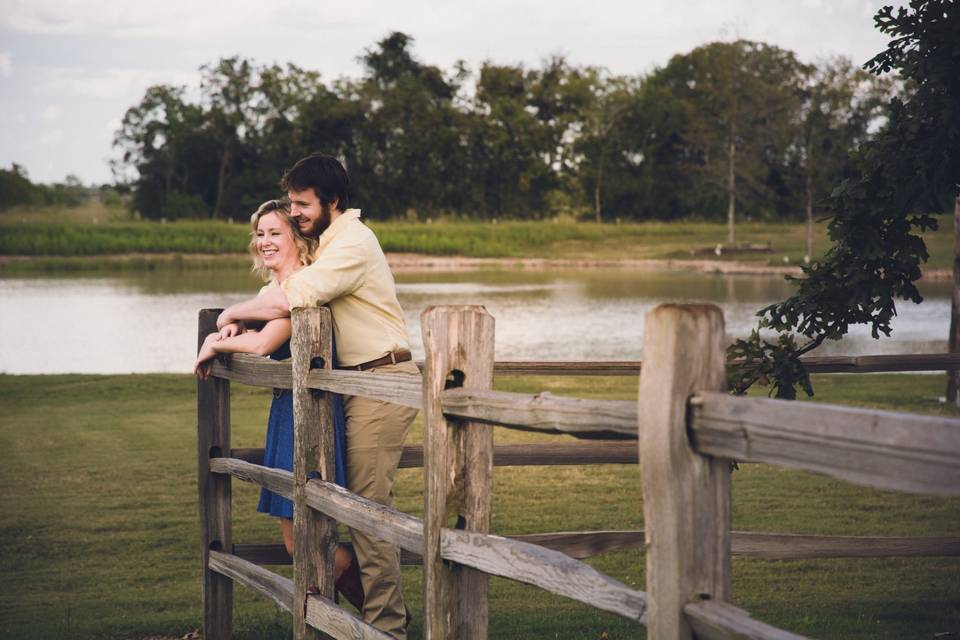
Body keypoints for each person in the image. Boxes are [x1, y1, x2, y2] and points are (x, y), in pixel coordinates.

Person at [214, 154, 418, 638]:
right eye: (292, 203)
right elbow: (284, 295)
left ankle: (387, 629)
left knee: (367, 516)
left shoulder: (352, 244)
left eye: (303, 204)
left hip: (380, 382)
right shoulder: (327, 242)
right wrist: (248, 316)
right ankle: (368, 622)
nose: (296, 212)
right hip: (351, 387)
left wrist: (228, 316)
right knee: (341, 513)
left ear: (333, 201)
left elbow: (294, 294)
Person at [193, 199, 364, 611]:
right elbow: (256, 325)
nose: (265, 242)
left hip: (310, 416)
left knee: (304, 538)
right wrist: (235, 322)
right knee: (296, 540)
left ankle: (374, 608)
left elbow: (264, 343)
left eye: (275, 233)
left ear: (297, 240)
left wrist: (213, 343)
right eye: (261, 233)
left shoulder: (302, 287)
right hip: (287, 414)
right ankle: (345, 620)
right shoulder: (271, 290)